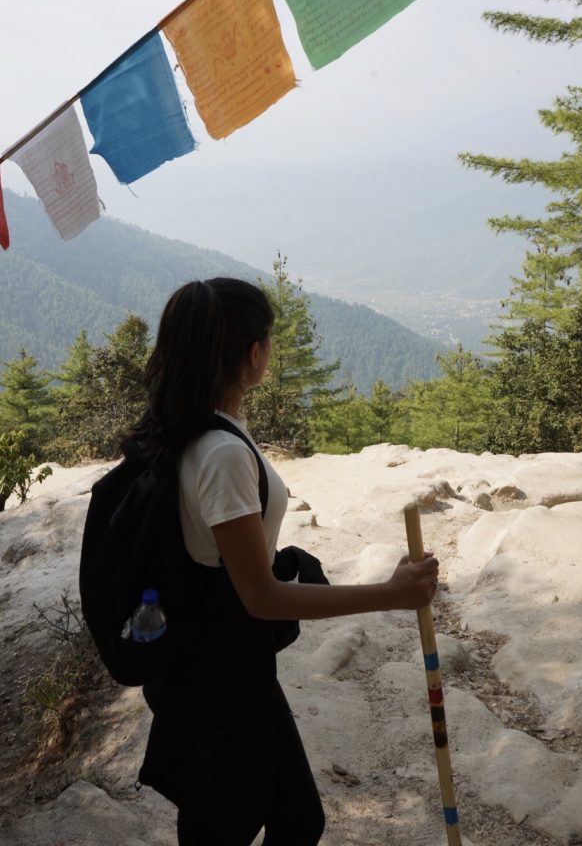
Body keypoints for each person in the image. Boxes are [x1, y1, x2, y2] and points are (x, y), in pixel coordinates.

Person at [133, 277, 440, 846]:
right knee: (232, 827)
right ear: (254, 354)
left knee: (291, 818)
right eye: (268, 341)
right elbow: (261, 596)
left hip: (219, 665)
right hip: (220, 678)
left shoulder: (187, 427)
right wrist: (388, 594)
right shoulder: (221, 454)